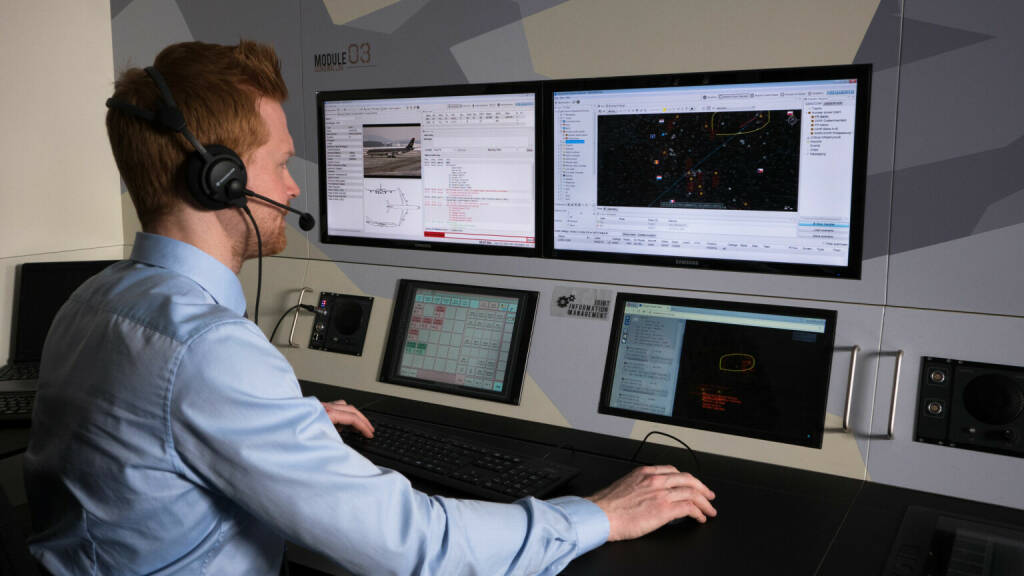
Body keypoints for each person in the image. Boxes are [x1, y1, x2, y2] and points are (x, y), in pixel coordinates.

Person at [23, 40, 716, 575]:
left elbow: (153, 431)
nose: (292, 188)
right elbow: (413, 547)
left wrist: (282, 423)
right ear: (221, 179)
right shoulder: (207, 352)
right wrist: (597, 515)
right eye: (281, 164)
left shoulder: (97, 299)